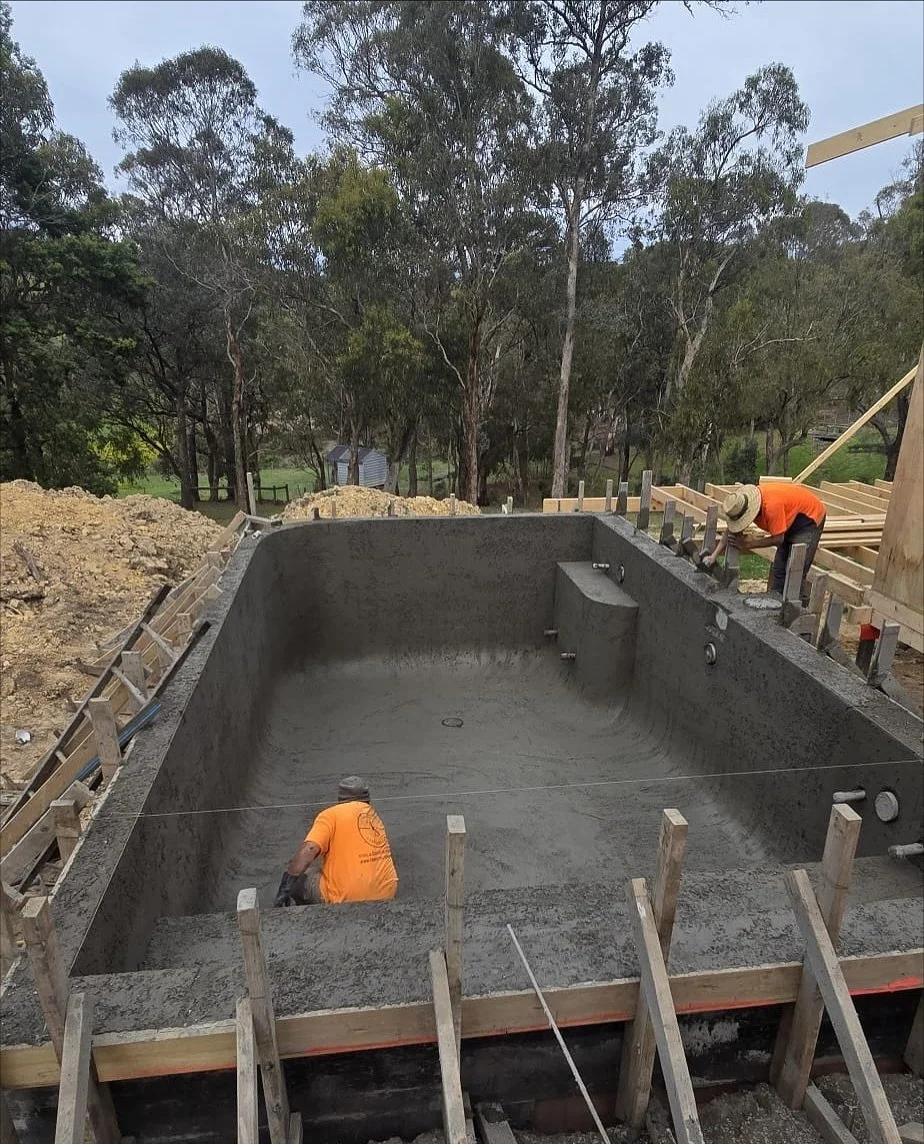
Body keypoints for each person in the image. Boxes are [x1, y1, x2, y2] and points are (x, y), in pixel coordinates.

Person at [274, 776, 398, 906]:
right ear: (367, 798)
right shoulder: (373, 816)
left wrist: (284, 890)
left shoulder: (330, 815)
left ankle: (310, 917)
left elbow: (309, 850)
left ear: (340, 798)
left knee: (300, 874)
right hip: (386, 893)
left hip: (350, 897)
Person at [714, 482, 826, 600]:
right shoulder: (741, 502)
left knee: (795, 571)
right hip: (789, 515)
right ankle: (775, 602)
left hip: (809, 519)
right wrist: (713, 555)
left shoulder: (771, 507)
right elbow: (730, 529)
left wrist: (748, 544)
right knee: (779, 568)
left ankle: (797, 610)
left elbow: (778, 539)